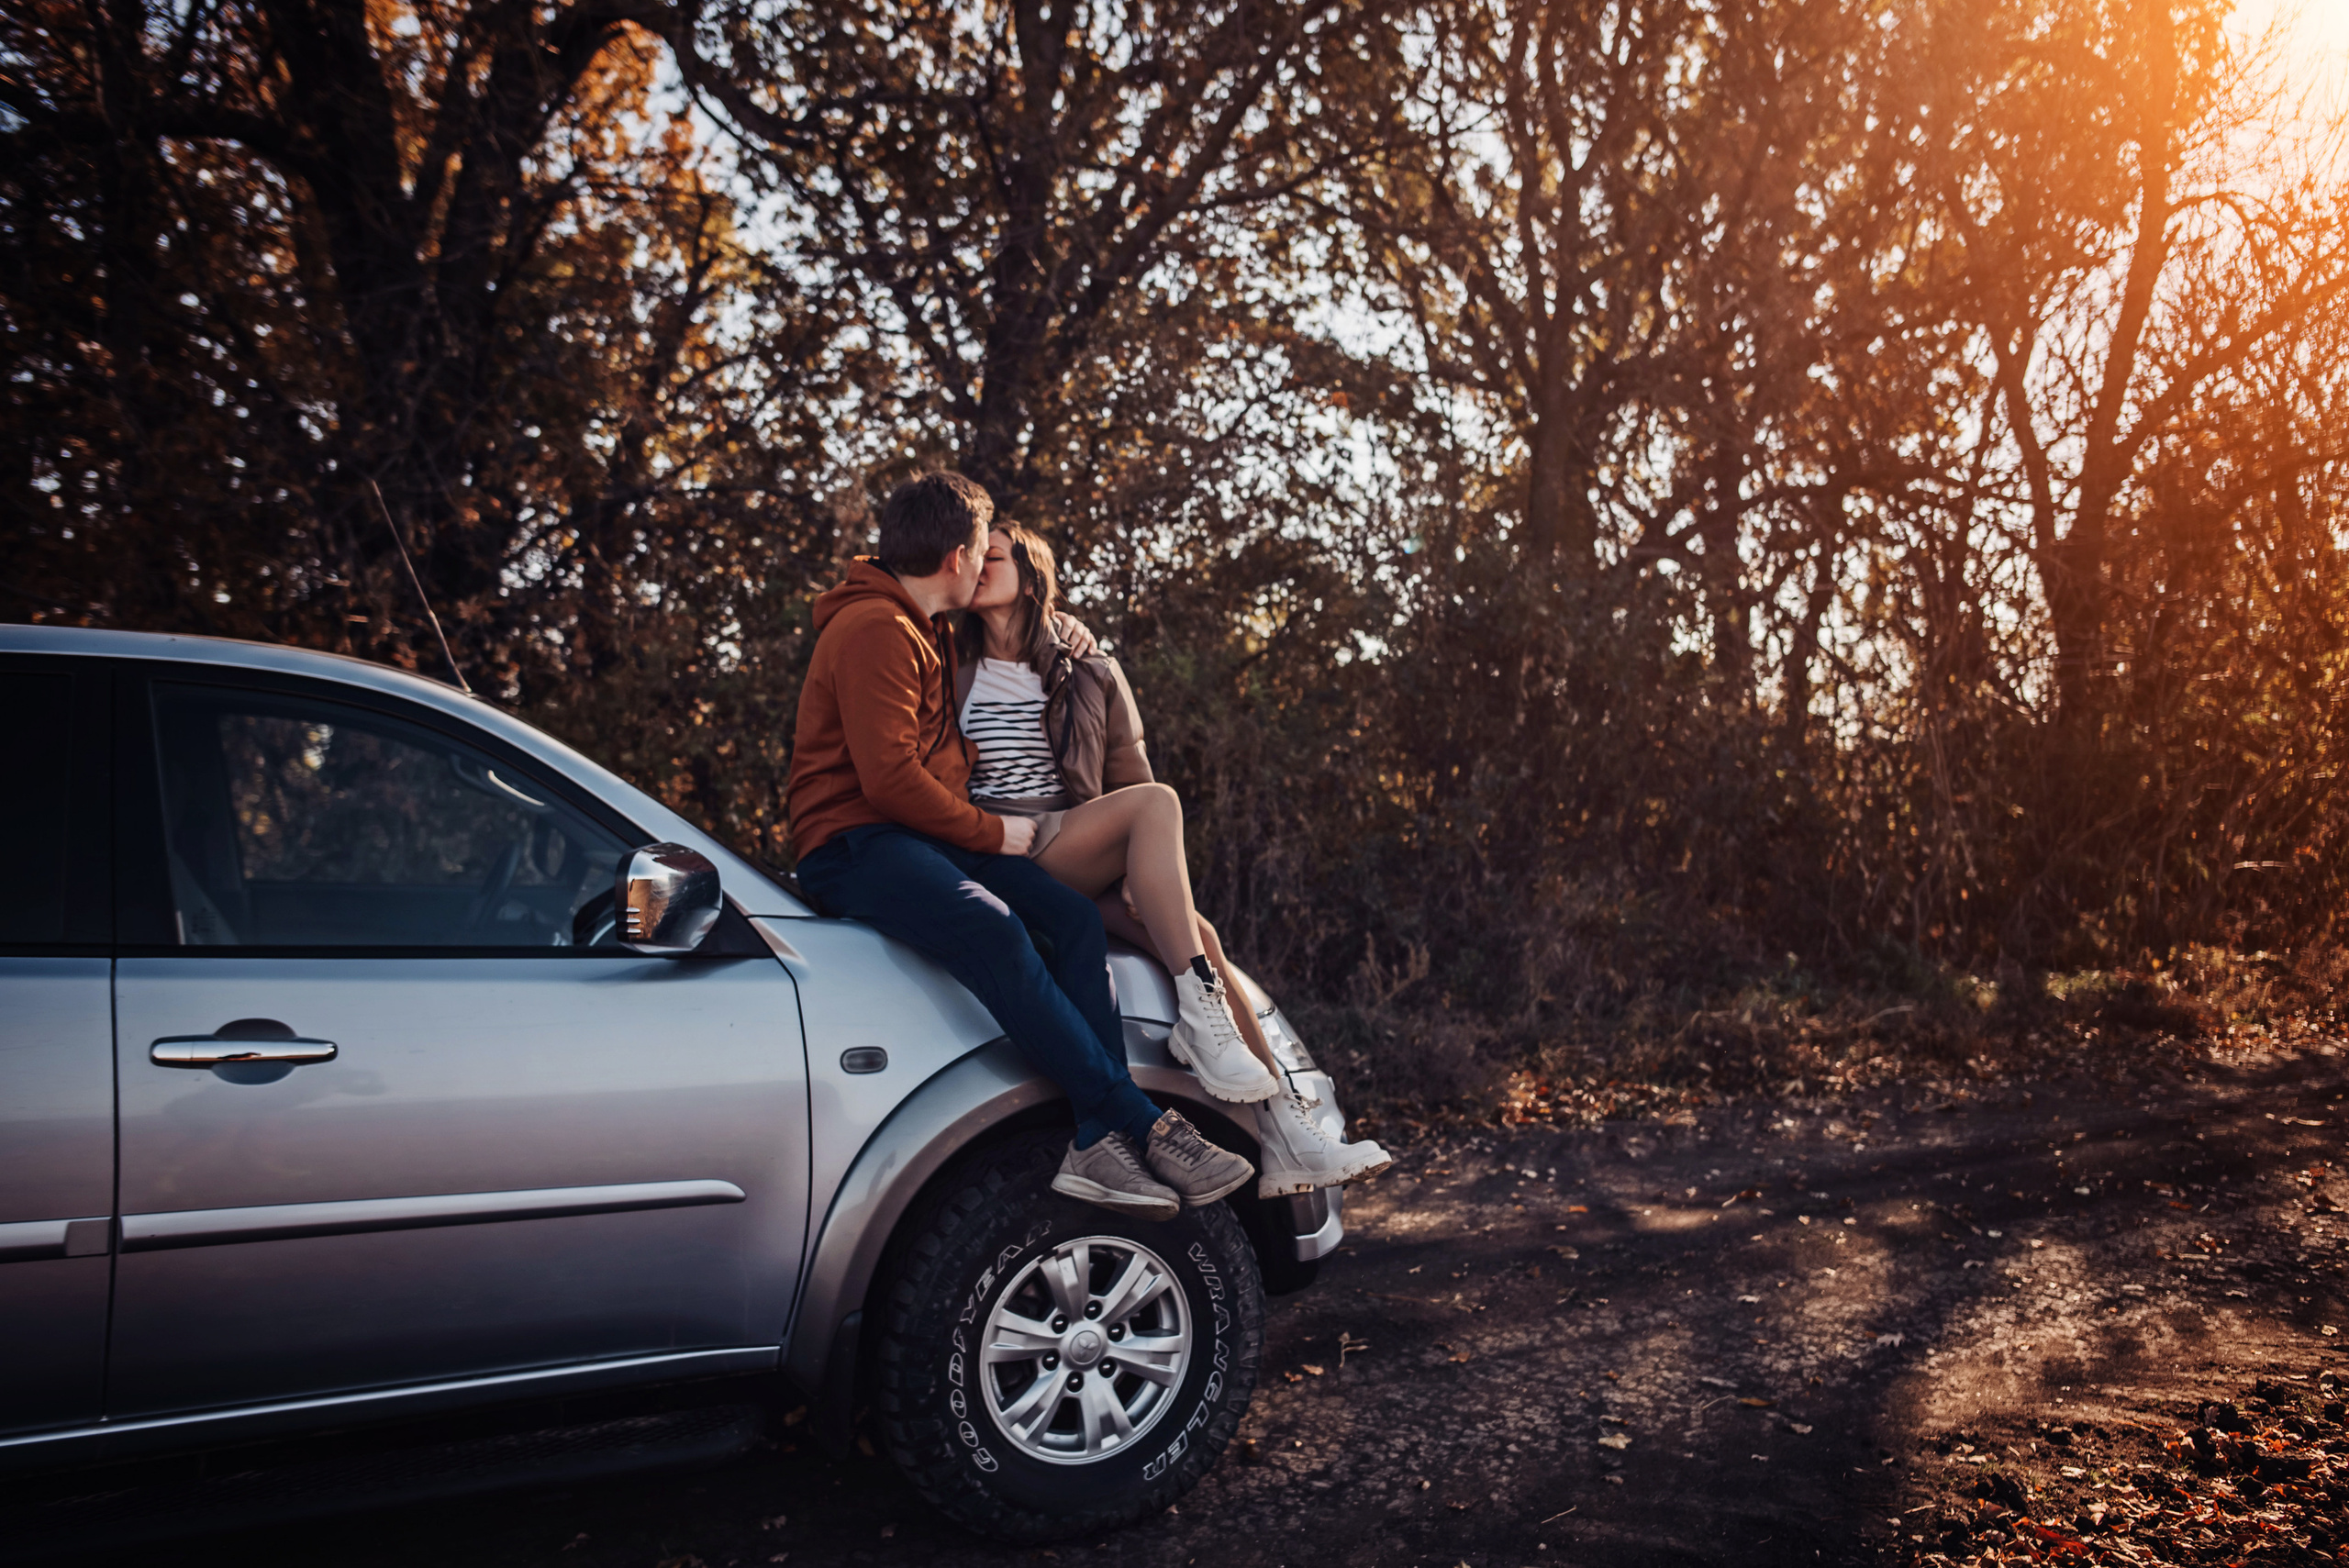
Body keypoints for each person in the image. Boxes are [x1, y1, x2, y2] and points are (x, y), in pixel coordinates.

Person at [785, 472, 1255, 1220]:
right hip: (854, 843)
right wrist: (992, 831)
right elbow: (886, 779)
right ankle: (1136, 1120)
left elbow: (1011, 664)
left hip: (920, 835)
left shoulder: (925, 624)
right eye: (981, 549)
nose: (982, 566)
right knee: (996, 928)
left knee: (1069, 918)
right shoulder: (875, 627)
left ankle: (1097, 1143)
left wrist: (1073, 638)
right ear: (955, 558)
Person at [956, 523, 1391, 1197]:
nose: (979, 566)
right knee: (1157, 806)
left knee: (1200, 935)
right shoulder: (948, 658)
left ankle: (1286, 1135)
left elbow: (1127, 766)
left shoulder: (1086, 665)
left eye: (994, 557)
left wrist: (1135, 867)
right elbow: (1140, 801)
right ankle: (1201, 1024)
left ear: (1030, 573)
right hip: (1002, 843)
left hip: (1072, 837)